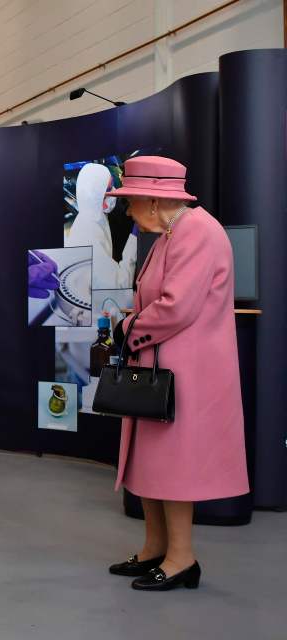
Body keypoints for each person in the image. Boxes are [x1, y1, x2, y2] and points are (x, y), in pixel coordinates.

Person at [105, 156, 248, 591]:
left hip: (185, 374)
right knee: (152, 463)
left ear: (151, 199)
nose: (127, 211)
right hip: (161, 368)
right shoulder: (172, 233)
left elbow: (177, 307)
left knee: (174, 466)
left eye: (129, 201)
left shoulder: (198, 233)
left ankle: (182, 558)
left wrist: (127, 328)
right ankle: (155, 549)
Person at [66, 162, 136, 289]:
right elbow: (120, 284)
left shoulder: (95, 215)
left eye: (113, 185)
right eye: (109, 189)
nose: (114, 192)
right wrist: (133, 241)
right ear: (95, 196)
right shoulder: (87, 238)